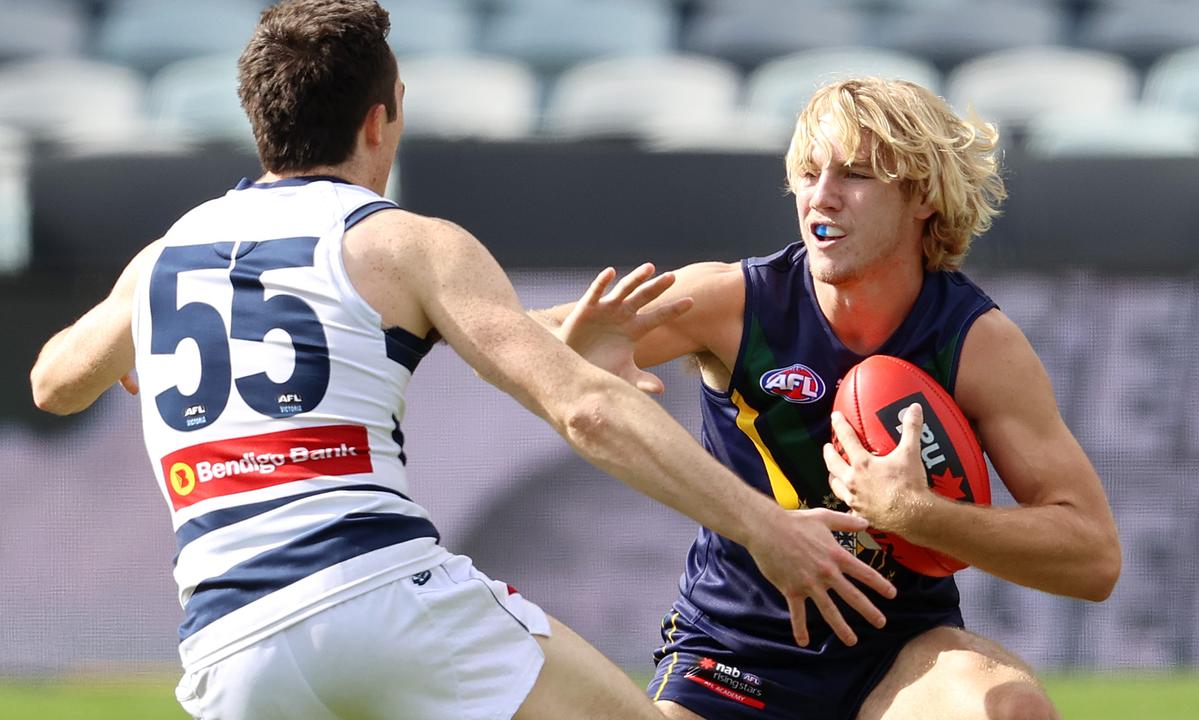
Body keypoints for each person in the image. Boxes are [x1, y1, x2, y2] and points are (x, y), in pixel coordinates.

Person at [27, 3, 900, 719]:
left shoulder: (162, 261)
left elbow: (54, 382)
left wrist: (133, 350)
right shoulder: (405, 243)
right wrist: (768, 529)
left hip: (231, 648)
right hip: (378, 597)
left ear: (259, 117)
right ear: (384, 115)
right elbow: (586, 411)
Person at [535, 77, 1122, 719]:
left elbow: (1093, 558)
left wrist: (915, 513)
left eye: (856, 176)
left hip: (899, 658)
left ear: (922, 195)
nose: (821, 197)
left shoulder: (975, 343)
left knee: (1012, 711)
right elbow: (506, 333)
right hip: (735, 654)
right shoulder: (735, 302)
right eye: (808, 173)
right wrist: (568, 344)